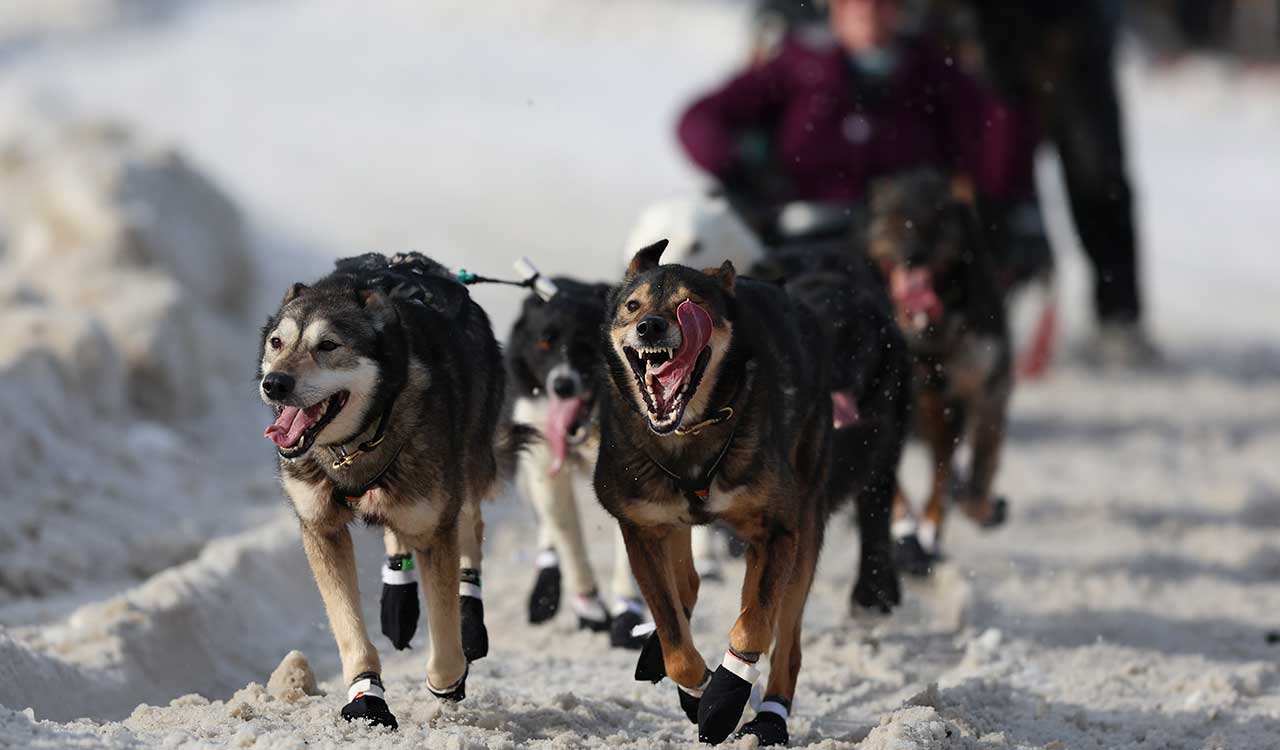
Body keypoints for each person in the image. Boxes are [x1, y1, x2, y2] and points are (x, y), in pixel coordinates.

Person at [678, 0, 988, 232]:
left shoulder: (931, 70)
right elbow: (699, 120)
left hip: (909, 237)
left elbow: (989, 129)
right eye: (852, 2)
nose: (866, 11)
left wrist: (992, 198)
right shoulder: (798, 64)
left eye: (880, 2)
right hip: (806, 229)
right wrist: (740, 168)